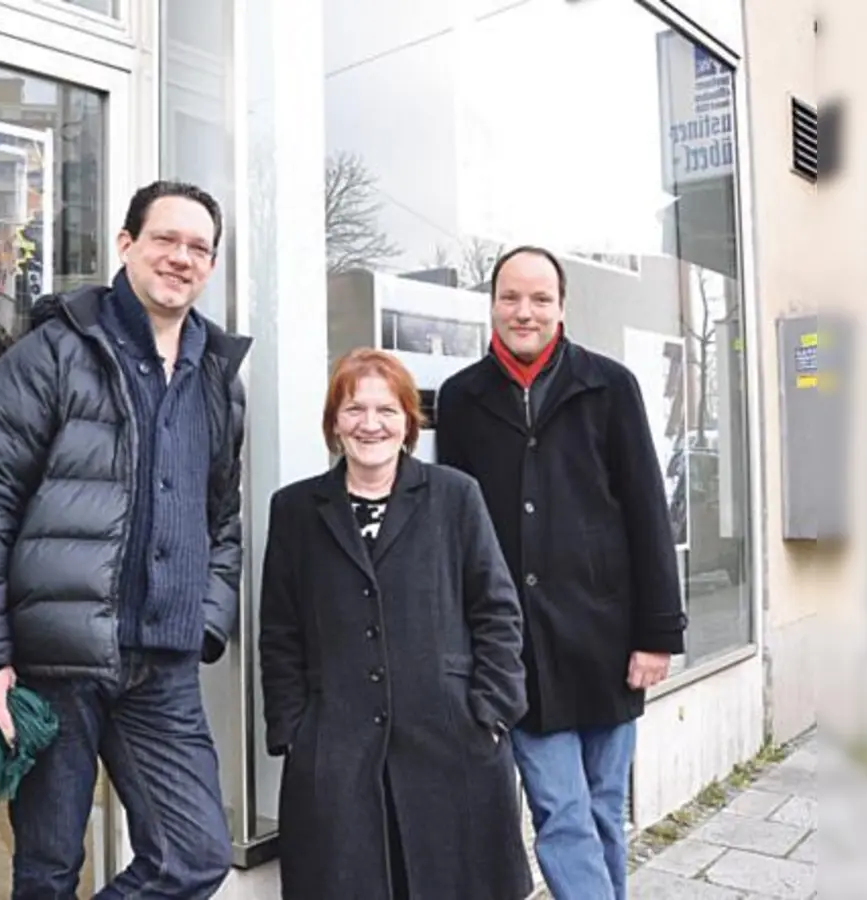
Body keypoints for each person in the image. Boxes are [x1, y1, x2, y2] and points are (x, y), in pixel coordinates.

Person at [0, 180, 250, 899]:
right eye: (165, 239)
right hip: (57, 663)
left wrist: (204, 619)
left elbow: (223, 518)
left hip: (163, 668)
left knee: (196, 855)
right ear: (126, 245)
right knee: (47, 870)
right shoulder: (54, 353)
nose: (181, 257)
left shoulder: (217, 377)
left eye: (198, 247)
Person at [435, 246, 687, 900]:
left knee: (604, 808)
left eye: (540, 299)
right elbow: (455, 527)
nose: (525, 312)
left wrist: (657, 632)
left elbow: (646, 510)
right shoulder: (462, 399)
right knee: (561, 811)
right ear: (491, 304)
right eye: (511, 297)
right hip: (517, 645)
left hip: (607, 638)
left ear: (561, 307)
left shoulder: (609, 385)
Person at [259, 348, 532, 900]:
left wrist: (494, 711)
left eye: (386, 410)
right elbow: (280, 631)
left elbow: (497, 609)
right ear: (334, 422)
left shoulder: (456, 497)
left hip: (450, 742)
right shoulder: (295, 510)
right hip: (336, 751)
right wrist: (294, 729)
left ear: (409, 421)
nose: (370, 424)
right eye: (354, 409)